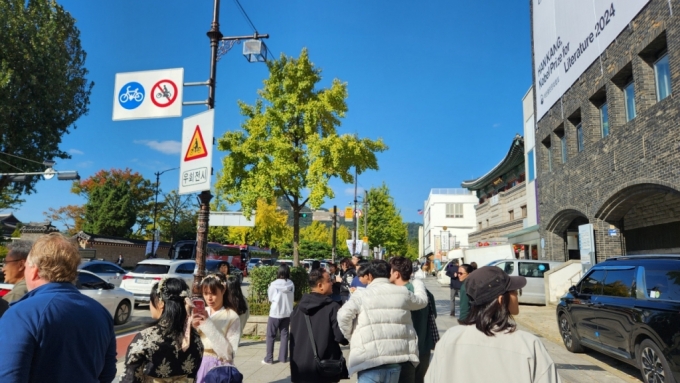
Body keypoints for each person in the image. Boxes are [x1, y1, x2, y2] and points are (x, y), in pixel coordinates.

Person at [0, 233, 117, 382]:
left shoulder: (22, 314)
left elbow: (8, 377)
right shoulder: (100, 312)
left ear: (34, 270)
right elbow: (107, 374)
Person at [425, 266, 561, 383]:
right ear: (500, 300)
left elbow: (431, 378)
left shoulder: (450, 338)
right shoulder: (528, 344)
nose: (517, 296)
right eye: (513, 291)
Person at [337, 260, 428, 382]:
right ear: (389, 272)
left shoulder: (361, 294)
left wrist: (351, 336)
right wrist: (418, 283)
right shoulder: (403, 293)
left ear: (370, 275)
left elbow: (343, 315)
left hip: (369, 360)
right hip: (396, 357)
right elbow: (422, 301)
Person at [122, 278, 203, 382]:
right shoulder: (194, 338)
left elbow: (130, 378)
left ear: (160, 303)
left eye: (150, 301)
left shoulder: (146, 338)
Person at [289, 269, 349, 383]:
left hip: (300, 370)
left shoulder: (297, 309)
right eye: (329, 280)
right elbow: (341, 337)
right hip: (324, 369)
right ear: (320, 285)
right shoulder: (332, 308)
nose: (332, 283)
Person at [389, 257, 438, 383]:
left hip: (404, 352)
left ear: (396, 274)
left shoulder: (394, 294)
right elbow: (434, 315)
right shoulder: (424, 292)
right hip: (423, 348)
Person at [192, 273, 242, 383]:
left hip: (217, 367)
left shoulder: (232, 317)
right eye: (205, 293)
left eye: (213, 293)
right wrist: (191, 326)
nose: (209, 298)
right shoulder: (202, 312)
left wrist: (207, 324)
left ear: (223, 290)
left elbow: (229, 354)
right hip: (196, 363)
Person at [264, 264, 294, 364]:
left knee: (271, 336)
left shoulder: (274, 284)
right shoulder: (291, 284)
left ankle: (269, 359)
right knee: (284, 335)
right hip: (287, 313)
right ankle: (283, 358)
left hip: (275, 313)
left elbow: (271, 298)